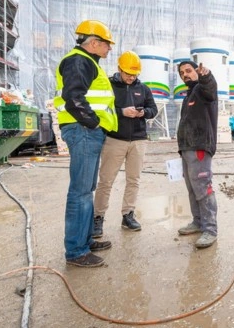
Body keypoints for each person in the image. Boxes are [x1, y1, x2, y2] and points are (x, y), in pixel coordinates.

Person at [53, 20, 118, 268]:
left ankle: (85, 240)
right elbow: (73, 97)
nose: (109, 49)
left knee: (85, 189)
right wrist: (92, 123)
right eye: (106, 45)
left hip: (86, 131)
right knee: (80, 192)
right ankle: (77, 251)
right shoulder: (79, 61)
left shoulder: (87, 62)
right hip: (83, 131)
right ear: (93, 43)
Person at [93, 51, 157, 237]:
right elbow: (101, 108)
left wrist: (143, 112)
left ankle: (128, 214)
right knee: (106, 181)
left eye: (134, 74)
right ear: (119, 68)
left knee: (133, 180)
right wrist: (121, 112)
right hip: (114, 139)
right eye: (128, 73)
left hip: (138, 140)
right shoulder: (108, 86)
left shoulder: (143, 89)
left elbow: (152, 109)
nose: (131, 77)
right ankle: (98, 218)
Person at [176, 60, 219, 249]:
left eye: (188, 71)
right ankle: (198, 222)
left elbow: (210, 88)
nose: (185, 74)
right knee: (193, 189)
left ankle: (210, 229)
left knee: (203, 188)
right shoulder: (189, 94)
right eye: (181, 73)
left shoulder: (202, 90)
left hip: (200, 146)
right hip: (187, 148)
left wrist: (206, 76)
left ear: (197, 71)